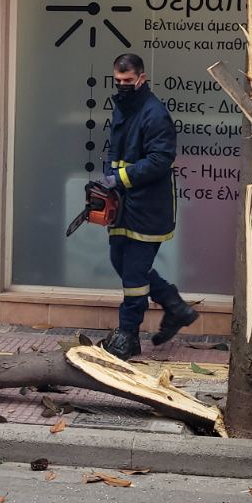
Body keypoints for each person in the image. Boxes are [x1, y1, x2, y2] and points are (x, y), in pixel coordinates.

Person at [98, 53, 197, 359]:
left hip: (149, 206)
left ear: (142, 78)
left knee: (134, 272)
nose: (122, 85)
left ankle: (128, 334)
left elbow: (160, 159)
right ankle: (174, 305)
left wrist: (119, 178)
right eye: (118, 80)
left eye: (128, 80)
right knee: (119, 260)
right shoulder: (123, 107)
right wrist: (108, 181)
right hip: (124, 202)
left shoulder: (155, 113)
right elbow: (116, 150)